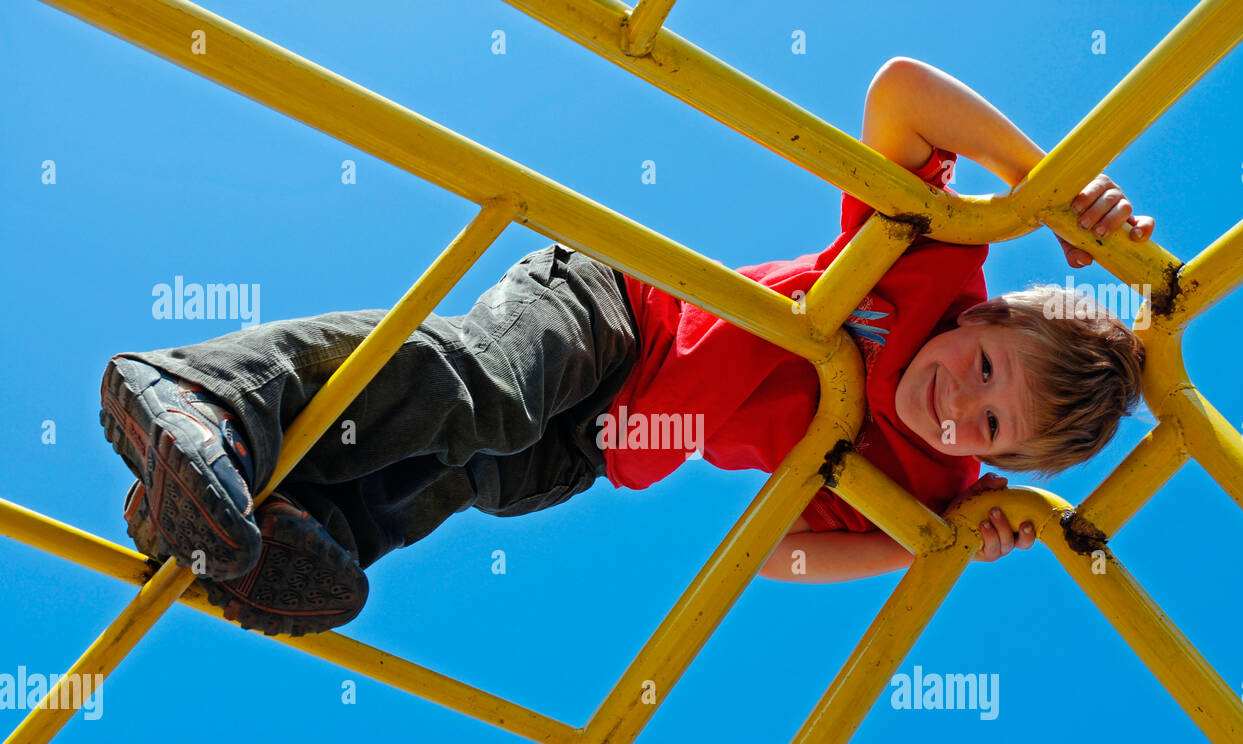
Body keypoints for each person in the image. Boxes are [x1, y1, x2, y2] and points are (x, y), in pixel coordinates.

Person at [98, 57, 1153, 635]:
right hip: (619, 311)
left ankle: (257, 519)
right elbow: (900, 94)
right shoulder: (928, 263)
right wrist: (1042, 189)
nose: (958, 407)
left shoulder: (923, 476)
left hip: (612, 449)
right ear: (982, 317)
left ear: (994, 461)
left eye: (990, 427)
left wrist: (933, 538)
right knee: (489, 390)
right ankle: (211, 395)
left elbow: (777, 557)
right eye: (982, 371)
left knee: (467, 476)